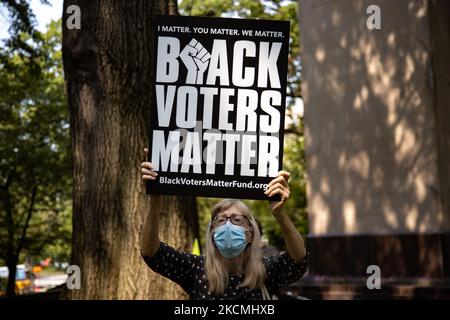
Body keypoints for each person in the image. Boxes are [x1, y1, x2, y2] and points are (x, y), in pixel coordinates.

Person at [140, 148, 308, 300]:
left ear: (250, 234)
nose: (228, 225)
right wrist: (155, 201)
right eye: (221, 220)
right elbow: (152, 253)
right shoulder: (196, 269)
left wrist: (280, 214)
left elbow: (298, 260)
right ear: (212, 232)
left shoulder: (265, 271)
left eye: (236, 220)